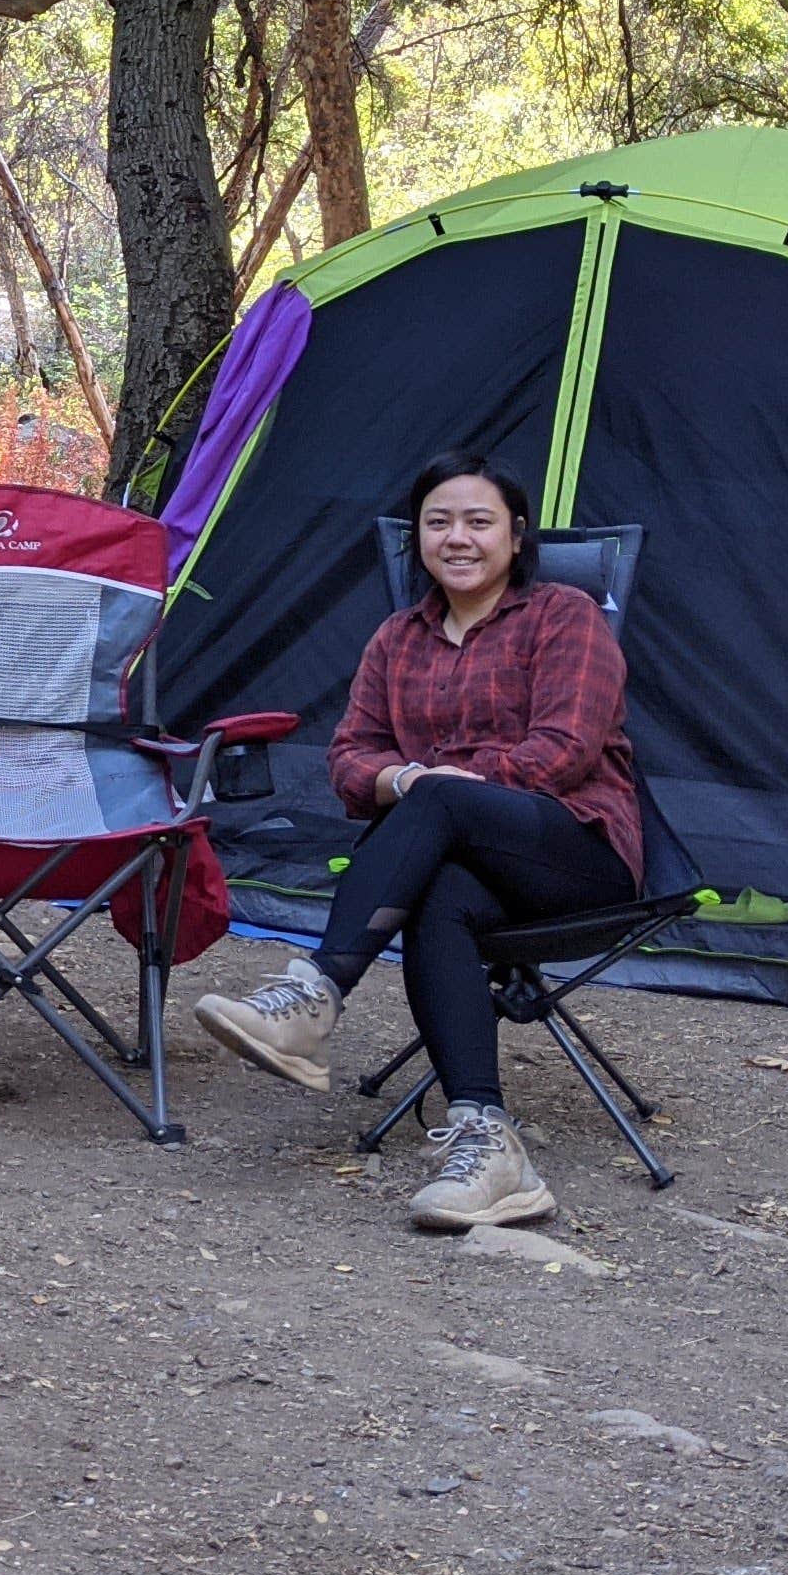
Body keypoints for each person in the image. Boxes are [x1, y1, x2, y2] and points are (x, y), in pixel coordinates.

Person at [190, 448, 640, 1230]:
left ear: (517, 535)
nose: (457, 538)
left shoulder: (563, 615)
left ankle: (317, 992)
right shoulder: (396, 638)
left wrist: (429, 783)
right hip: (469, 866)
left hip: (576, 854)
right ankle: (488, 1141)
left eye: (478, 521)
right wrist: (401, 782)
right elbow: (350, 761)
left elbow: (563, 751)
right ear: (419, 539)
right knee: (437, 893)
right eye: (439, 522)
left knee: (433, 801)